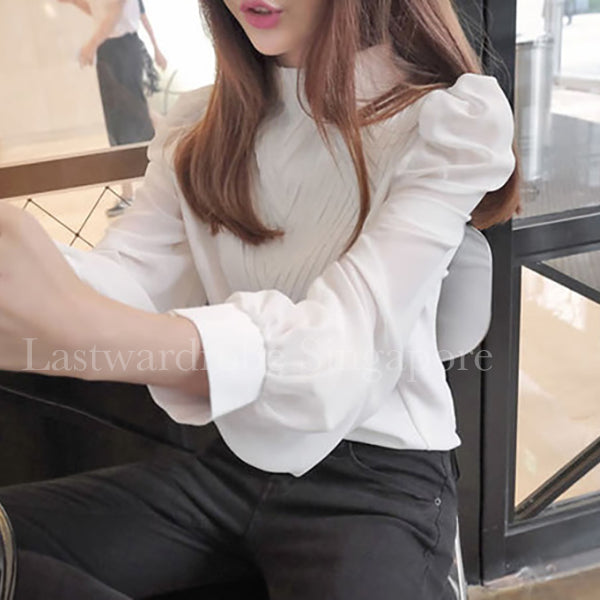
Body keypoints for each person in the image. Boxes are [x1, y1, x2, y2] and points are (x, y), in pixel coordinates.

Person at [0, 1, 520, 598]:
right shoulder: (201, 128)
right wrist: (31, 277)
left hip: (377, 478)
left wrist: (90, 334)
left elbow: (340, 354)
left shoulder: (444, 125)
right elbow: (128, 277)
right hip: (233, 460)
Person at [57, 0, 166, 217]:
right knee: (121, 120)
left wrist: (91, 45)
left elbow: (115, 16)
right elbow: (101, 13)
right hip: (111, 50)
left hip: (122, 50)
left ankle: (172, 159)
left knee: (135, 115)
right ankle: (128, 192)